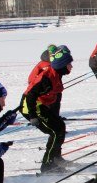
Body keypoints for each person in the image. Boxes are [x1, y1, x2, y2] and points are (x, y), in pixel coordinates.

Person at [21, 45, 73, 173]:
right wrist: (32, 116)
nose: (71, 66)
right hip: (31, 106)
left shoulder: (56, 74)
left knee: (60, 127)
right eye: (69, 64)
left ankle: (55, 159)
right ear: (62, 64)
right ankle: (48, 166)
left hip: (41, 105)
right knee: (55, 131)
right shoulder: (47, 77)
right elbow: (31, 95)